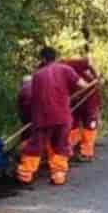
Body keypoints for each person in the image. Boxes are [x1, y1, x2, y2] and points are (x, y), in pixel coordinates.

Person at [18, 46, 89, 186]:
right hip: (63, 117)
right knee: (60, 145)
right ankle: (58, 176)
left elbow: (33, 98)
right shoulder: (66, 69)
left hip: (42, 118)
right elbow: (83, 85)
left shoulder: (37, 75)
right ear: (55, 57)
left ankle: (25, 176)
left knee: (35, 146)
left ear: (43, 59)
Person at [63, 55, 102, 162]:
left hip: (89, 99)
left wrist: (96, 76)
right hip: (73, 100)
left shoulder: (69, 64)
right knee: (73, 125)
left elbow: (89, 62)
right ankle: (70, 151)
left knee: (89, 125)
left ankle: (86, 152)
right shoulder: (62, 68)